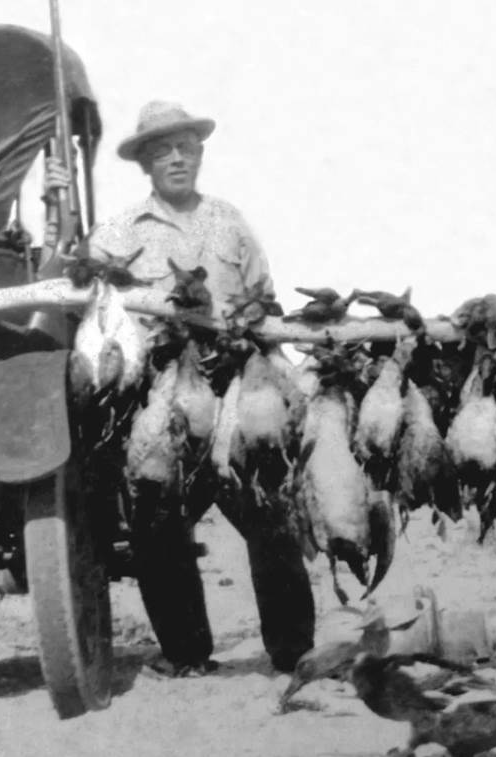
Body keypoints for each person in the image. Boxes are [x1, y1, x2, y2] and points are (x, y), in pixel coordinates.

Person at [46, 101, 315, 675]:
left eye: (186, 148)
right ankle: (187, 654)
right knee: (155, 526)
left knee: (270, 515)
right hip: (163, 396)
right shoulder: (117, 232)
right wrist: (57, 217)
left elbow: (265, 302)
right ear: (144, 161)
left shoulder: (231, 222)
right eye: (163, 150)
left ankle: (293, 653)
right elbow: (66, 283)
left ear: (200, 154)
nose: (176, 158)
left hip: (235, 387)